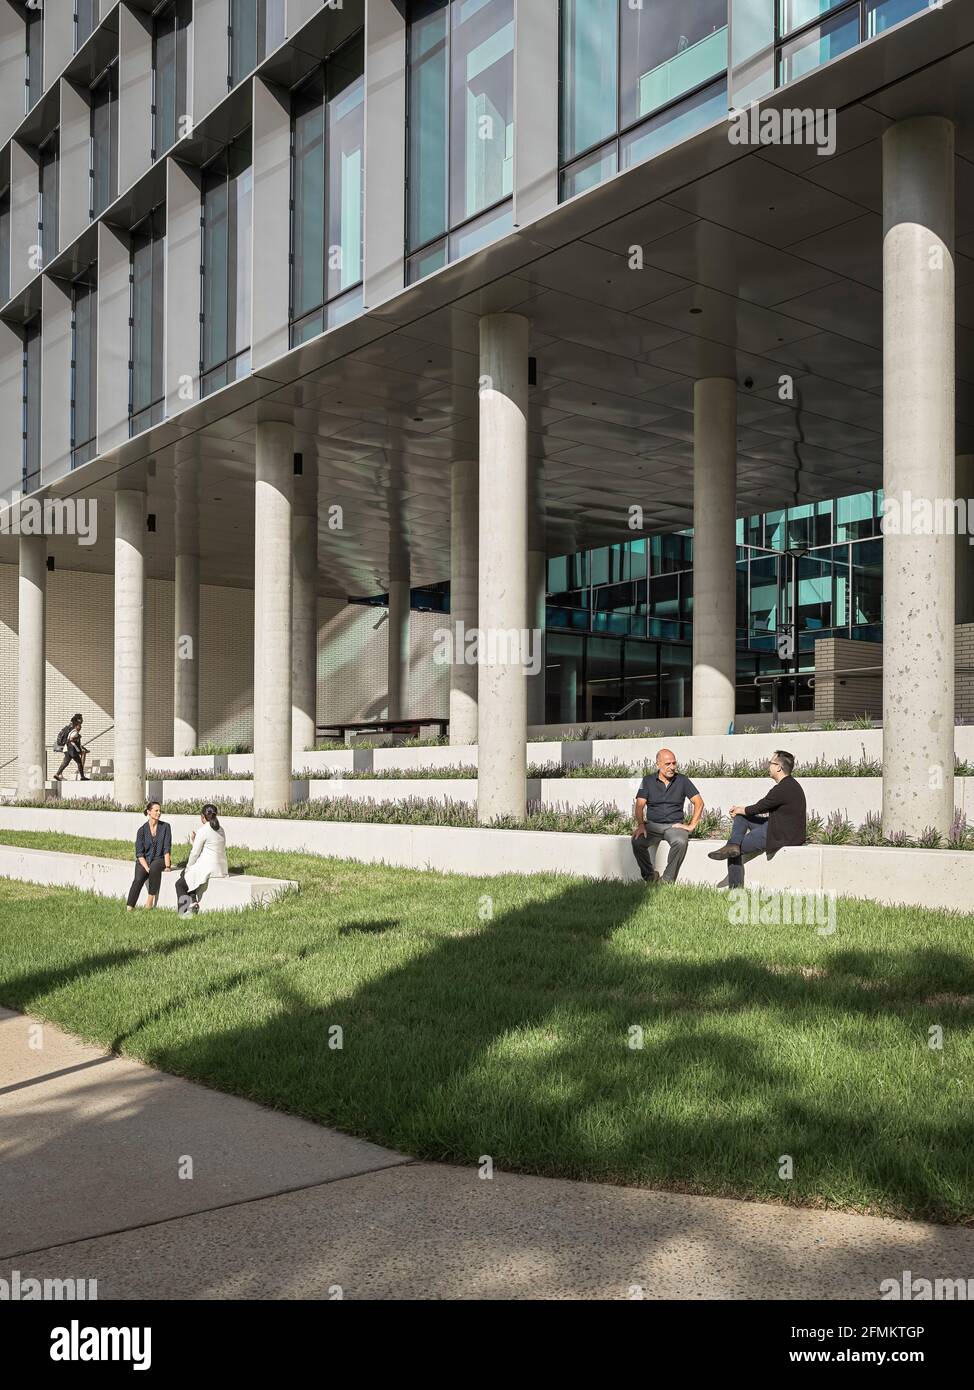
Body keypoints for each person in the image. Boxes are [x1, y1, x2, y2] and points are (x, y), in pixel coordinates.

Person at [708, 750, 807, 887]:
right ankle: (733, 843)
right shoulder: (790, 785)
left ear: (778, 767)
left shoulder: (783, 788)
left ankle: (735, 888)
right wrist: (741, 811)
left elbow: (759, 807)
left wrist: (739, 809)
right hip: (780, 828)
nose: (768, 766)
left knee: (733, 850)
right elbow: (759, 808)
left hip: (779, 834)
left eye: (770, 763)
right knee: (742, 818)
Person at [631, 748, 704, 884]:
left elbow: (699, 802)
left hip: (674, 826)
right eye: (667, 764)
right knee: (637, 841)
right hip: (653, 826)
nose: (672, 767)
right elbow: (639, 805)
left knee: (680, 842)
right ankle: (650, 876)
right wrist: (641, 825)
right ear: (658, 764)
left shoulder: (682, 780)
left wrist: (691, 825)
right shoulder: (647, 781)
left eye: (674, 763)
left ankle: (666, 880)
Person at [174, 804, 229, 917]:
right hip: (221, 867)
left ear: (202, 816)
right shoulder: (221, 829)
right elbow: (210, 847)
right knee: (186, 876)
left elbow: (195, 853)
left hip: (208, 867)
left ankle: (183, 913)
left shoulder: (203, 830)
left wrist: (189, 867)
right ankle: (193, 901)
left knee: (180, 884)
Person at [126, 801, 172, 909]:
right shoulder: (141, 830)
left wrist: (167, 866)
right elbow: (140, 854)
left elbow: (166, 847)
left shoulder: (166, 827)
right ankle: (129, 907)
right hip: (144, 860)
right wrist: (146, 868)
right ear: (149, 812)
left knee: (155, 867)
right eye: (156, 810)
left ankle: (149, 902)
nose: (159, 813)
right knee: (138, 879)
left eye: (159, 810)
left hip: (159, 859)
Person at [53, 714, 89, 781]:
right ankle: (82, 776)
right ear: (77, 722)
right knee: (79, 762)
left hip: (67, 749)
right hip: (71, 750)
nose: (80, 727)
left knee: (66, 763)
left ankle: (57, 774)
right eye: (80, 726)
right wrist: (78, 737)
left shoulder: (70, 728)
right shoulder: (74, 730)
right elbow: (71, 739)